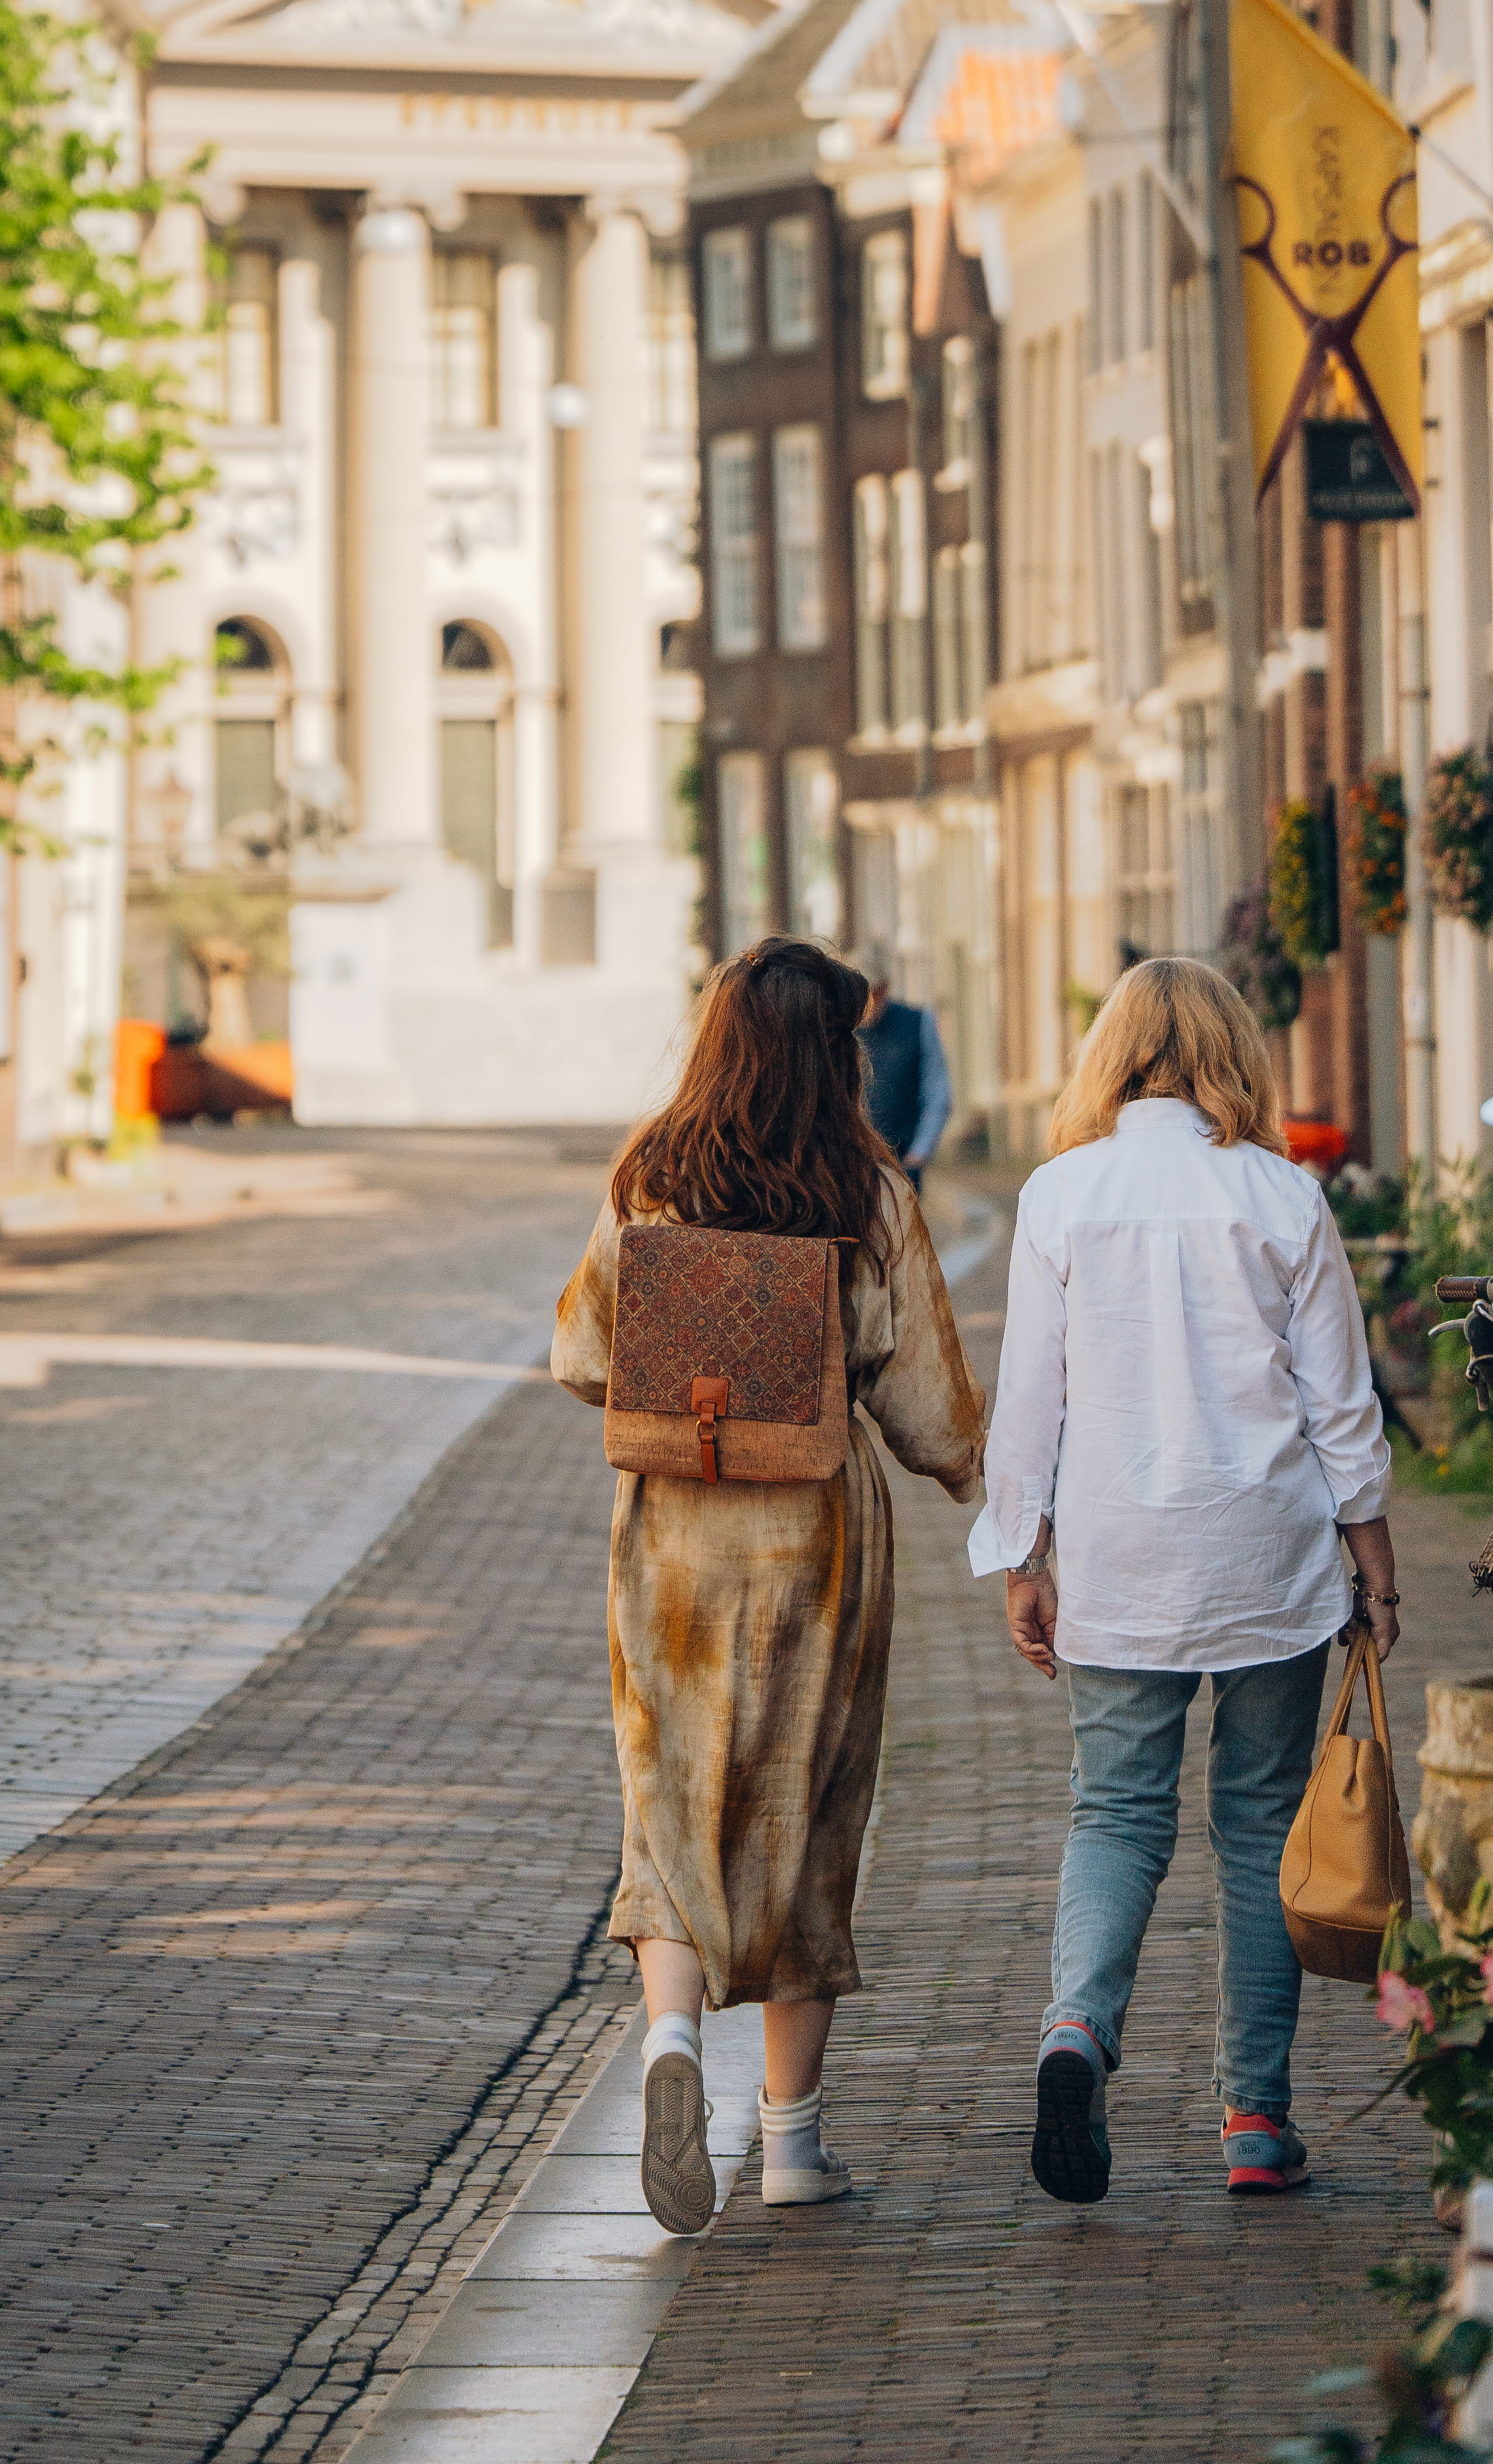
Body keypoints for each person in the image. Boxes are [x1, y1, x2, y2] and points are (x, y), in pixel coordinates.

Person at [552, 940, 986, 2238]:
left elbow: (581, 1352)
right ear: (836, 1050)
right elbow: (926, 1399)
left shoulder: (649, 1172)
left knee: (669, 1804)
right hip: (814, 1541)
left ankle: (671, 2044)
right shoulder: (864, 1184)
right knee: (809, 1804)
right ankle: (791, 2144)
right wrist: (993, 1491)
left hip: (675, 1533)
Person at [968, 952, 1395, 2208]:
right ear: (1234, 1055)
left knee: (1115, 1811)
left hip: (1117, 1556)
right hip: (1265, 1553)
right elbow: (1341, 1404)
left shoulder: (1059, 1195)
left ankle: (1073, 2033)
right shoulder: (1280, 1196)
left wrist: (1022, 1556)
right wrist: (1372, 1557)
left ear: (1110, 1060)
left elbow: (1029, 1403)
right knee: (1261, 1823)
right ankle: (1256, 2118)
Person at [858, 980, 953, 1185]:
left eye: (877, 993)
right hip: (853, 1164)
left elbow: (936, 1090)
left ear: (885, 989)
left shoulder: (917, 1023)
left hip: (904, 1161)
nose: (871, 1002)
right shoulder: (840, 1026)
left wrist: (919, 1153)